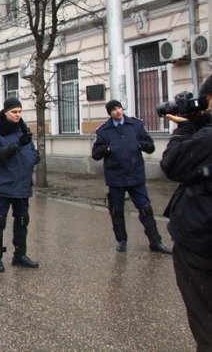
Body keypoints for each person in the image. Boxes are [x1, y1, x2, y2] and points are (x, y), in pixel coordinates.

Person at [160, 76, 212, 351]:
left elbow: (172, 163)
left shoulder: (205, 136)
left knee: (205, 315)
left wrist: (187, 127)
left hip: (201, 238)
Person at [91, 99, 172, 254]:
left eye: (119, 108)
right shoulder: (103, 131)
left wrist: (143, 145)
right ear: (110, 113)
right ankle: (122, 240)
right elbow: (95, 154)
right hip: (116, 177)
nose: (118, 111)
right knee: (116, 210)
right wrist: (106, 149)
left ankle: (156, 242)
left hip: (135, 176)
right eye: (114, 109)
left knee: (146, 209)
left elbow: (150, 146)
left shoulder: (136, 125)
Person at [0, 97, 40, 273]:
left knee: (22, 220)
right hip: (4, 184)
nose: (18, 115)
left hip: (23, 184)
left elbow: (31, 150)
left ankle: (20, 255)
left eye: (20, 112)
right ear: (5, 112)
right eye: (14, 112)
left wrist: (34, 157)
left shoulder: (23, 130)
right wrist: (17, 145)